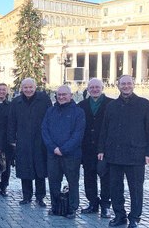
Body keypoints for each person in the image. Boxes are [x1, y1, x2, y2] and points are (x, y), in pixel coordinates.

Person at [98, 75, 149, 228]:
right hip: (114, 155)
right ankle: (120, 215)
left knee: (136, 190)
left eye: (128, 83)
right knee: (115, 188)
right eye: (122, 84)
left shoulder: (145, 104)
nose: (125, 86)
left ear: (133, 84)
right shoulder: (111, 106)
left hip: (135, 155)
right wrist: (101, 150)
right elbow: (104, 130)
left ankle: (134, 218)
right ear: (118, 85)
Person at [42, 85, 85, 219]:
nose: (61, 97)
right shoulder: (50, 111)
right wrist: (53, 148)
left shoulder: (78, 112)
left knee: (72, 182)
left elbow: (78, 134)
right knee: (54, 182)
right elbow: (44, 130)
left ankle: (72, 208)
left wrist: (63, 149)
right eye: (59, 95)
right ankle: (55, 206)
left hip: (71, 154)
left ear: (70, 96)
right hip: (53, 153)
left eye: (64, 95)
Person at [8, 77, 52, 207]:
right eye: (25, 87)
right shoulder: (16, 102)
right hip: (23, 140)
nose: (28, 90)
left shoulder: (44, 99)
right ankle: (26, 196)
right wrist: (12, 140)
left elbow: (50, 119)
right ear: (21, 88)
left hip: (40, 140)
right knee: (25, 169)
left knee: (40, 170)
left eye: (30, 87)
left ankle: (40, 197)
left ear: (35, 87)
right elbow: (11, 122)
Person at [78, 78, 113, 218]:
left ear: (102, 88)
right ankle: (93, 202)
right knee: (89, 177)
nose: (94, 89)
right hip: (87, 148)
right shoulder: (82, 104)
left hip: (104, 148)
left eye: (97, 87)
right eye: (91, 87)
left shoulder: (111, 104)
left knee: (105, 177)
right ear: (88, 88)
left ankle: (105, 205)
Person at [0, 83, 12, 197]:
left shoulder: (10, 105)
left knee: (7, 165)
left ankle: (4, 186)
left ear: (7, 91)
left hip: (6, 140)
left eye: (3, 90)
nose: (1, 92)